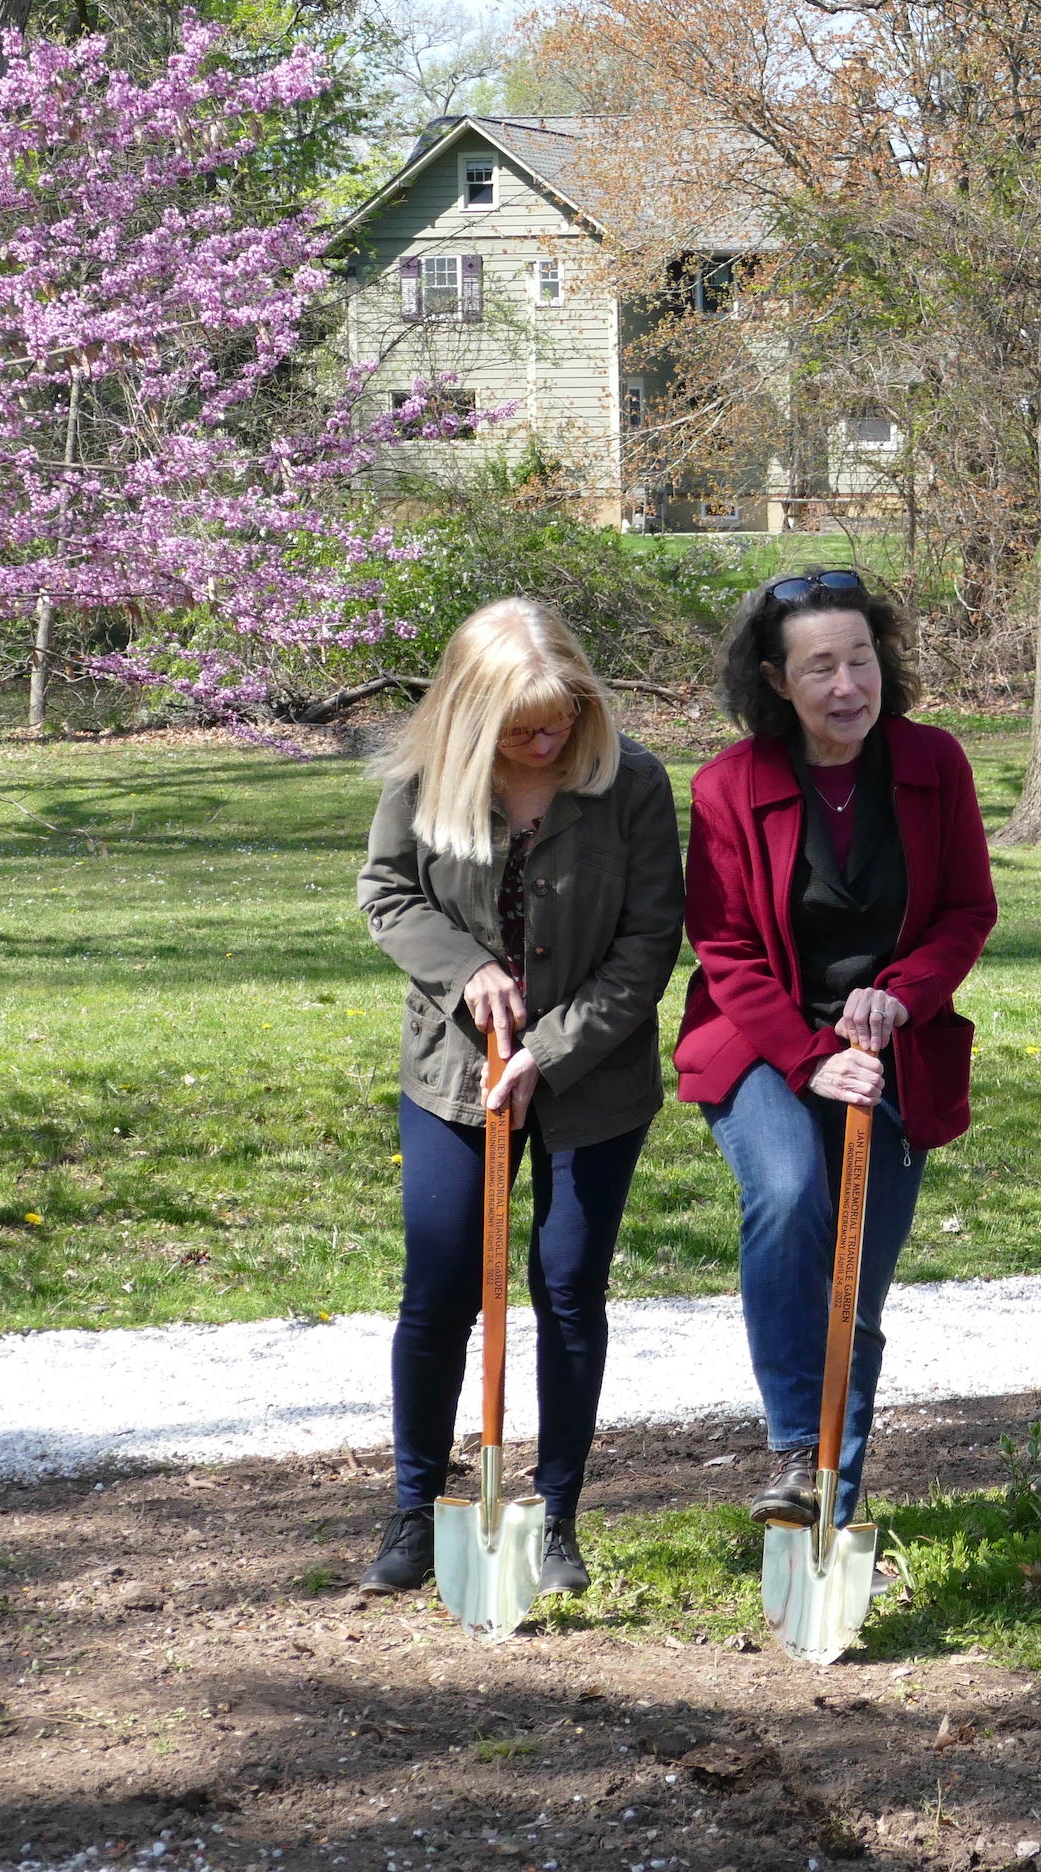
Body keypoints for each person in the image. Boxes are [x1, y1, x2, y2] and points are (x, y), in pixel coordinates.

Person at [354, 598, 686, 1600]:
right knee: (441, 1287)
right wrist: (464, 973)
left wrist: (550, 1048)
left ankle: (559, 1520)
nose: (549, 740)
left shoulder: (629, 783)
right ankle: (416, 1512)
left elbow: (648, 940)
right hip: (454, 1078)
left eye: (562, 718)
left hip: (593, 1082)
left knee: (570, 1289)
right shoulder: (426, 779)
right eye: (525, 727)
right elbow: (387, 891)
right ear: (472, 715)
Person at [674, 567, 996, 1529]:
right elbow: (724, 945)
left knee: (855, 1279)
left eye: (861, 660)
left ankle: (830, 1505)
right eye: (820, 668)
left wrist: (900, 1001)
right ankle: (790, 1447)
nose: (847, 685)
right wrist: (810, 1057)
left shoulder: (935, 764)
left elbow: (966, 911)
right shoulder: (731, 787)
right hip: (761, 1038)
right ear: (776, 681)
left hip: (893, 1041)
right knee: (788, 1194)